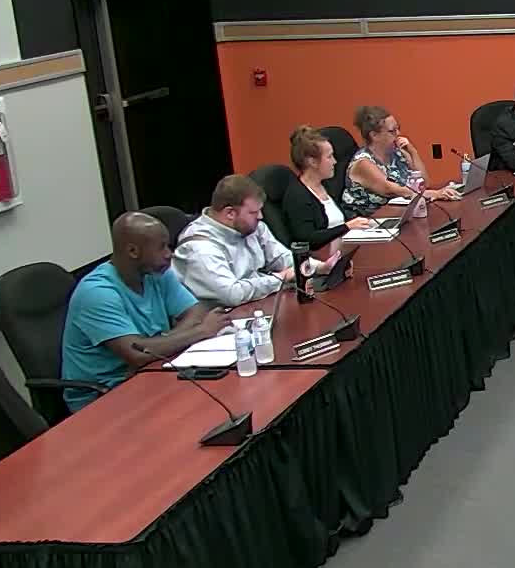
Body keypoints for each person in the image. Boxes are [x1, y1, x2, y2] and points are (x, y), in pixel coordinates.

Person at [60, 214, 234, 411]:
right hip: (103, 396)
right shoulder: (97, 292)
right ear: (133, 251)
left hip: (151, 371)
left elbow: (196, 312)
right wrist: (201, 331)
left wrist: (164, 341)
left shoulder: (155, 273)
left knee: (220, 397)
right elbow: (137, 354)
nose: (169, 254)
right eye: (161, 247)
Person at [174, 174, 297, 307]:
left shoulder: (252, 227)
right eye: (253, 212)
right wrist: (280, 278)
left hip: (256, 303)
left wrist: (309, 266)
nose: (260, 216)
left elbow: (282, 258)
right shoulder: (199, 248)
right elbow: (231, 294)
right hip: (217, 314)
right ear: (230, 213)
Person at [342, 105, 458, 217]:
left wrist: (413, 152)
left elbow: (425, 183)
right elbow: (393, 190)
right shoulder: (363, 163)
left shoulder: (398, 153)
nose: (398, 134)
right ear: (374, 135)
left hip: (400, 214)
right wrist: (435, 193)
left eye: (398, 128)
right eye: (392, 131)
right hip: (370, 221)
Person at [279, 126, 378, 250]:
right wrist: (347, 227)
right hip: (325, 258)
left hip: (345, 249)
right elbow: (308, 238)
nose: (335, 161)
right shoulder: (297, 196)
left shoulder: (326, 185)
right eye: (329, 157)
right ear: (312, 162)